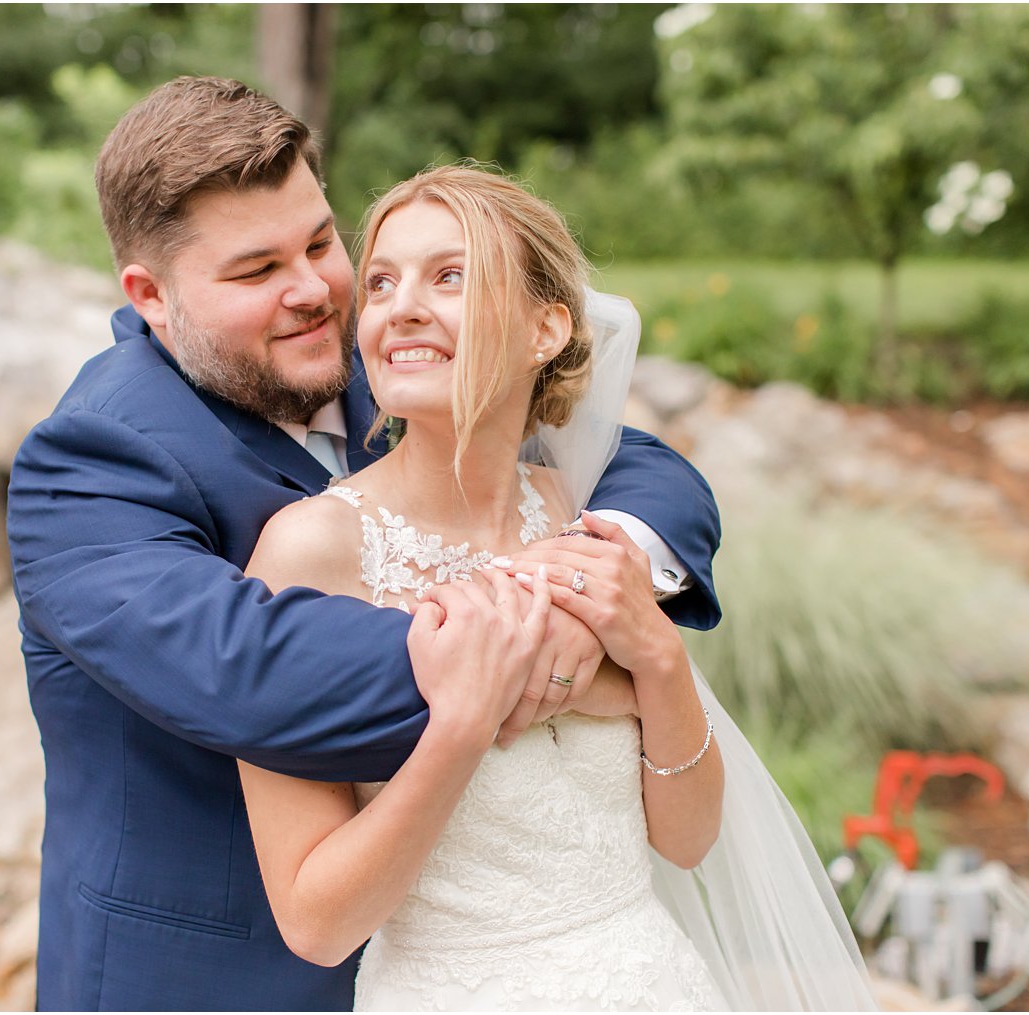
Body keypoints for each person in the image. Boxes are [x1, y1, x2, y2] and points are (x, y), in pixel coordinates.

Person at [6, 76, 723, 1012]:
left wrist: (614, 558)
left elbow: (641, 465)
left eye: (320, 243)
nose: (316, 292)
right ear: (151, 294)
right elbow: (255, 670)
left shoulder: (387, 352)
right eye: (258, 270)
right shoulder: (90, 464)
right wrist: (581, 658)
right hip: (209, 982)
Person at [240, 164, 877, 1010]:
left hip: (651, 978)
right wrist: (460, 726)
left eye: (451, 276)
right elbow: (316, 924)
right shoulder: (308, 550)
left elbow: (687, 839)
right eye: (384, 281)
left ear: (547, 328)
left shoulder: (575, 510)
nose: (402, 308)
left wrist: (654, 654)